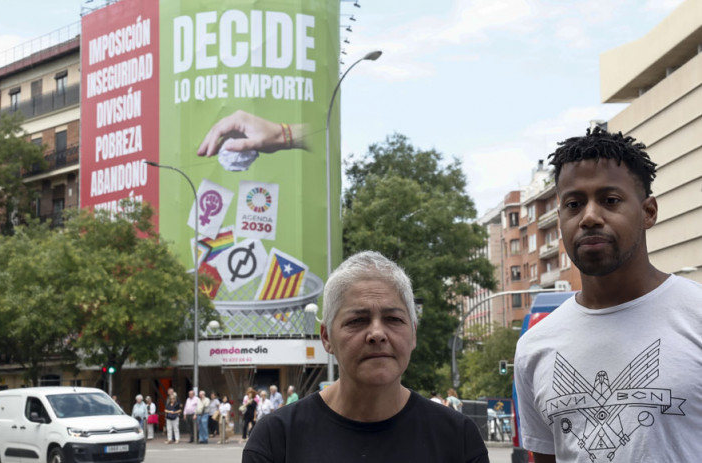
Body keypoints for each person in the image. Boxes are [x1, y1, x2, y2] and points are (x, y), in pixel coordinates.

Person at [514, 127, 702, 463]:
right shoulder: (535, 346)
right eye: (574, 204)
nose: (589, 217)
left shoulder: (696, 314)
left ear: (648, 212)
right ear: (560, 220)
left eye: (610, 200)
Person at [243, 251, 489, 462]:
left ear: (413, 333)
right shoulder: (276, 440)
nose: (377, 334)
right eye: (357, 320)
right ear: (326, 337)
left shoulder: (458, 438)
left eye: (393, 319)